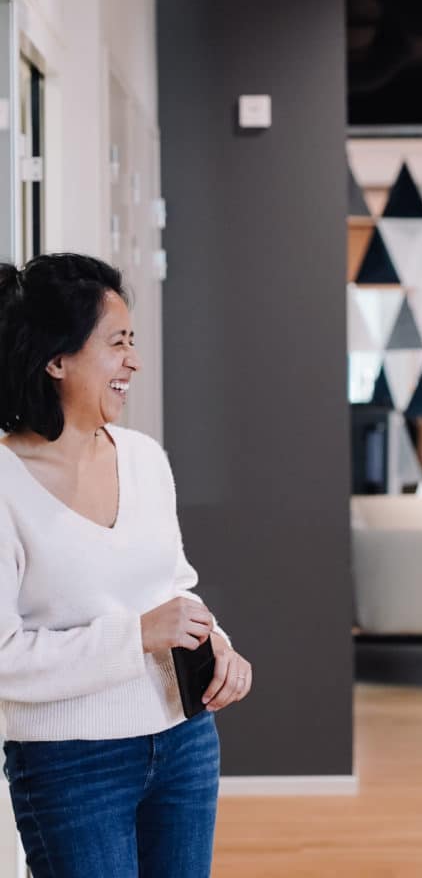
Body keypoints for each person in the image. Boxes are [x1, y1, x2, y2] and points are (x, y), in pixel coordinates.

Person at [0, 253, 252, 878]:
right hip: (70, 764)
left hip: (185, 741)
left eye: (132, 343)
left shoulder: (144, 458)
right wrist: (136, 635)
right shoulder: (4, 486)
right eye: (117, 344)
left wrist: (219, 645)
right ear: (57, 360)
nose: (133, 361)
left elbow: (175, 587)